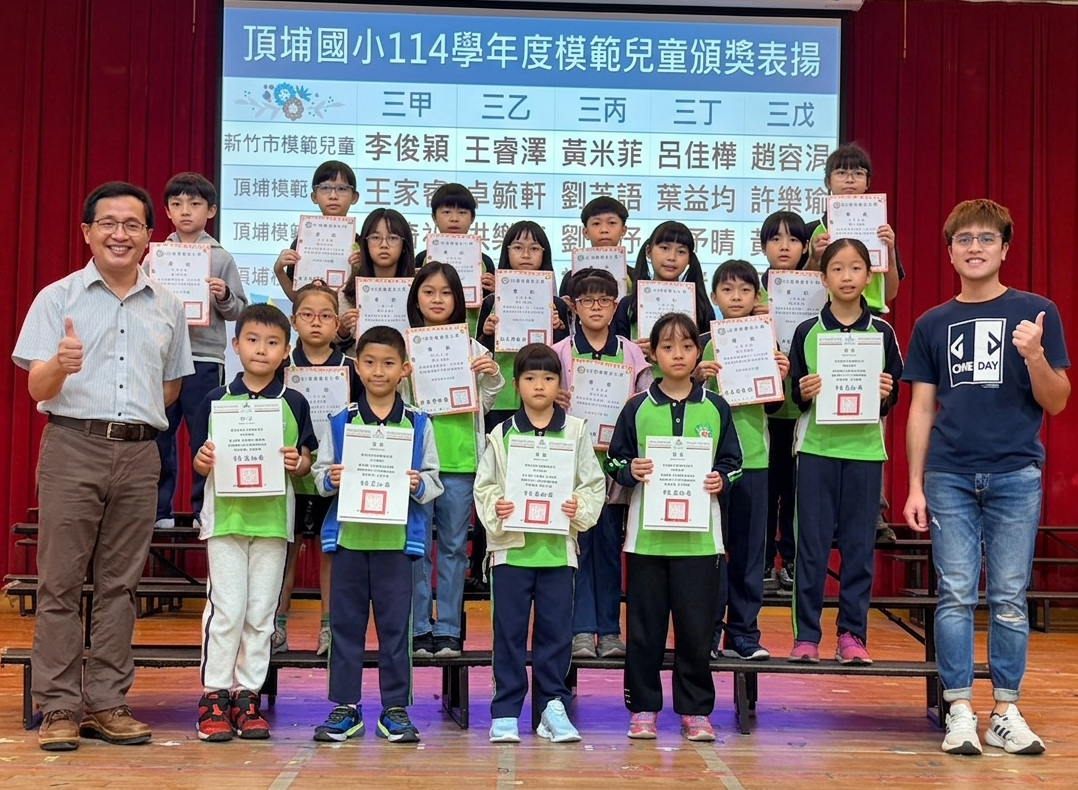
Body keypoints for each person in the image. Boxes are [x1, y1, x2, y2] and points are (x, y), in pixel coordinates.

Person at [13, 181, 193, 751]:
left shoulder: (167, 304)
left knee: (120, 585)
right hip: (73, 444)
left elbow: (170, 387)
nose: (120, 234)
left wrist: (132, 421)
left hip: (140, 453)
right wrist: (61, 366)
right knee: (60, 583)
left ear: (149, 236)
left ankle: (109, 703)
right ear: (87, 232)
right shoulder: (57, 298)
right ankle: (59, 707)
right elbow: (36, 387)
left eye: (132, 225)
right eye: (108, 223)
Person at [902, 199, 1070, 756]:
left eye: (986, 238)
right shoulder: (931, 323)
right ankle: (958, 708)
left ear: (1004, 248)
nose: (975, 247)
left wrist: (1034, 356)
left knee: (1009, 596)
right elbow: (920, 408)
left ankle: (1005, 710)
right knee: (954, 593)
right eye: (964, 239)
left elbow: (1057, 401)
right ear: (950, 252)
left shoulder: (1036, 312)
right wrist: (914, 485)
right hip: (948, 475)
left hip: (1015, 474)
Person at [606, 313, 743, 742]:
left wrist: (721, 479)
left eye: (686, 346)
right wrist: (631, 469)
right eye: (667, 347)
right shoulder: (636, 407)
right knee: (644, 630)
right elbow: (614, 459)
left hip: (700, 542)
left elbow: (734, 462)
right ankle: (643, 708)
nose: (677, 354)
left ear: (698, 352)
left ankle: (695, 710)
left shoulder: (716, 407)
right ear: (653, 355)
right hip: (647, 541)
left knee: (696, 630)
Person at [189, 304, 317, 742]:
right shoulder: (215, 400)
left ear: (286, 351)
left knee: (261, 613)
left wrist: (298, 462)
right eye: (253, 340)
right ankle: (214, 695)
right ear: (236, 345)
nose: (262, 349)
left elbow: (306, 460)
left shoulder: (293, 403)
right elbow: (199, 461)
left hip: (273, 522)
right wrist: (203, 461)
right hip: (226, 519)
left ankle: (247, 696)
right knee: (226, 609)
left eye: (273, 342)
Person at [311, 326, 443, 744]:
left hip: (396, 545)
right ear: (357, 367)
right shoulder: (341, 420)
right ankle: (345, 708)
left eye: (388, 363)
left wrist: (417, 484)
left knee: (395, 630)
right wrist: (330, 479)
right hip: (349, 542)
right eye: (369, 362)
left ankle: (395, 708)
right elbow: (319, 476)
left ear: (405, 369)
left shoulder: (419, 422)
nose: (379, 371)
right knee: (345, 627)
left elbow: (434, 480)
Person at [475, 344, 606, 743]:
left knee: (555, 634)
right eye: (530, 378)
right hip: (511, 552)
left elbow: (592, 484)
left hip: (557, 552)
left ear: (559, 384)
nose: (539, 385)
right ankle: (505, 711)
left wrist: (578, 506)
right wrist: (498, 505)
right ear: (516, 384)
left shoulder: (576, 430)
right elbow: (485, 486)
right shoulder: (501, 433)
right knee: (509, 634)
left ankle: (552, 706)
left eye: (548, 378)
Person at [787, 239, 903, 665]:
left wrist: (886, 393)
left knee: (858, 548)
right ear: (824, 278)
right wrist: (803, 391)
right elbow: (795, 395)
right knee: (811, 547)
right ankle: (806, 636)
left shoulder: (883, 333)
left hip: (865, 451)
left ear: (869, 276)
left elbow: (891, 395)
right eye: (837, 268)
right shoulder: (807, 331)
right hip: (816, 448)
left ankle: (852, 635)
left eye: (856, 268)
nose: (847, 276)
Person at [803, 143, 905, 543]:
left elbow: (891, 290)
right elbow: (803, 285)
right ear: (827, 182)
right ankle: (827, 508)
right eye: (842, 173)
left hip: (870, 324)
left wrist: (889, 248)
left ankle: (871, 508)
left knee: (872, 413)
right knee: (824, 407)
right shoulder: (818, 231)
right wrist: (815, 256)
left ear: (868, 183)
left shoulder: (880, 228)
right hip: (828, 327)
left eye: (858, 173)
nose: (850, 179)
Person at [403, 263, 504, 658]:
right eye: (429, 292)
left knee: (453, 548)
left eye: (446, 293)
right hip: (416, 465)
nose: (437, 299)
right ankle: (418, 627)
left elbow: (487, 402)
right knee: (415, 548)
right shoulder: (404, 348)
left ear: (458, 300)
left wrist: (491, 374)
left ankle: (447, 629)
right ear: (416, 299)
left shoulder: (474, 348)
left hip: (461, 463)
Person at [553, 269, 652, 659]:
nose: (596, 307)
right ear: (574, 307)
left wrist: (631, 406)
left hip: (613, 468)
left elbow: (646, 405)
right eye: (587, 300)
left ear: (615, 307)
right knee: (577, 549)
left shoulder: (631, 353)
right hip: (572, 468)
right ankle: (580, 630)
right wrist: (555, 401)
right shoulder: (560, 352)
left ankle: (609, 631)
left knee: (610, 550)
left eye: (604, 300)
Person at [697, 260, 790, 660]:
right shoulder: (704, 344)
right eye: (727, 290)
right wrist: (699, 378)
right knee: (711, 556)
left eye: (745, 290)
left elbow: (773, 407)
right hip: (711, 466)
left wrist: (780, 376)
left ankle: (744, 635)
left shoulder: (767, 342)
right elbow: (686, 400)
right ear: (714, 296)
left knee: (750, 555)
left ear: (757, 296)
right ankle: (708, 633)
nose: (736, 297)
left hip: (753, 461)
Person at [151, 172, 248, 529]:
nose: (185, 211)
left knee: (204, 437)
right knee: (159, 435)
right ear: (167, 210)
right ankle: (159, 510)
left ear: (211, 211)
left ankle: (200, 509)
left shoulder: (221, 258)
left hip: (204, 358)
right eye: (177, 204)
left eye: (194, 204)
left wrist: (223, 295)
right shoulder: (155, 257)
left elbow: (239, 310)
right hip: (162, 360)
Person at [273, 283, 363, 656]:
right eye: (307, 315)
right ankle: (277, 625)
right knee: (284, 551)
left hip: (335, 476)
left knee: (331, 552)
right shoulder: (280, 367)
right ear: (294, 321)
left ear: (337, 323)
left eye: (326, 316)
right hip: (289, 475)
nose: (316, 322)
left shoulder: (352, 369)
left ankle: (328, 625)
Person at [756, 211, 810, 592]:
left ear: (805, 247)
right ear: (764, 247)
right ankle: (761, 559)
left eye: (793, 239)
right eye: (775, 239)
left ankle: (789, 559)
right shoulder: (751, 289)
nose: (784, 246)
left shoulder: (818, 287)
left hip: (802, 408)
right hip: (761, 410)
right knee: (765, 490)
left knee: (794, 491)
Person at [611, 221, 714, 372]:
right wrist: (634, 350)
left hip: (686, 384)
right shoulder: (628, 304)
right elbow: (614, 350)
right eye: (665, 248)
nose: (672, 257)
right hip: (638, 382)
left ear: (689, 259)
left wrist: (696, 375)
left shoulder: (699, 305)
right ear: (648, 251)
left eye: (681, 252)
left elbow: (706, 352)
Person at [272, 160, 362, 305]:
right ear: (314, 196)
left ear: (354, 197)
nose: (333, 196)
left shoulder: (362, 245)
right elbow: (297, 299)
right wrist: (279, 271)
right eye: (325, 188)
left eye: (342, 189)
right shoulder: (302, 243)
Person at [415, 183, 497, 336]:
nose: (454, 219)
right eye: (446, 212)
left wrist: (495, 290)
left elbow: (490, 306)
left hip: (474, 335)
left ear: (472, 218)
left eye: (462, 212)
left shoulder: (484, 261)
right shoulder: (422, 259)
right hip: (428, 335)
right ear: (434, 217)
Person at [336, 207, 418, 351]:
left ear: (404, 245)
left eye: (393, 238)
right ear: (365, 244)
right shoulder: (347, 293)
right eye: (375, 237)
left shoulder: (419, 290)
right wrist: (342, 332)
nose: (384, 245)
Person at [557, 196, 631, 297]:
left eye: (612, 223)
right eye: (596, 223)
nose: (604, 230)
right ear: (585, 232)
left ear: (623, 230)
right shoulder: (571, 277)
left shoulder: (634, 276)